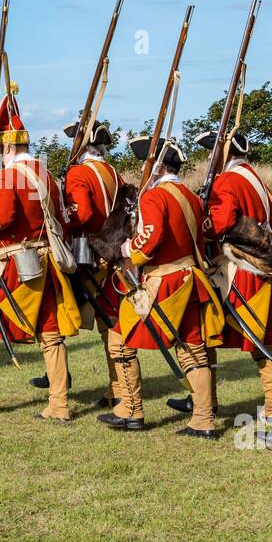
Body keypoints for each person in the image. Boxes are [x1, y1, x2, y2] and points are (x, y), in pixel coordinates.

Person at [0, 87, 82, 421]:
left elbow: (2, 219)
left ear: (8, 146)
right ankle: (59, 404)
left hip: (16, 263)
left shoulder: (9, 175)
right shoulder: (47, 175)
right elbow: (61, 217)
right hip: (47, 260)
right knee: (50, 333)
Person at [107, 137, 225, 437]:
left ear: (157, 166)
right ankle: (203, 419)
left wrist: (126, 250)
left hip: (163, 282)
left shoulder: (155, 196)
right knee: (193, 349)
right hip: (190, 278)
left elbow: (149, 242)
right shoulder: (189, 194)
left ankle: (131, 410)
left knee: (119, 340)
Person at [195, 129, 272, 443]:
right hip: (260, 265)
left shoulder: (228, 180)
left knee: (211, 333)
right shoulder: (252, 175)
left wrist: (199, 223)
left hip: (240, 269)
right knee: (262, 339)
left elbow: (223, 222)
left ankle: (215, 403)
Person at [27, 120, 126, 408]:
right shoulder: (112, 172)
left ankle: (57, 376)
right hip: (111, 253)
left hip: (88, 256)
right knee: (110, 324)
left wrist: (58, 221)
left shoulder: (79, 173)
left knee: (55, 312)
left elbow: (81, 214)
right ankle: (116, 387)